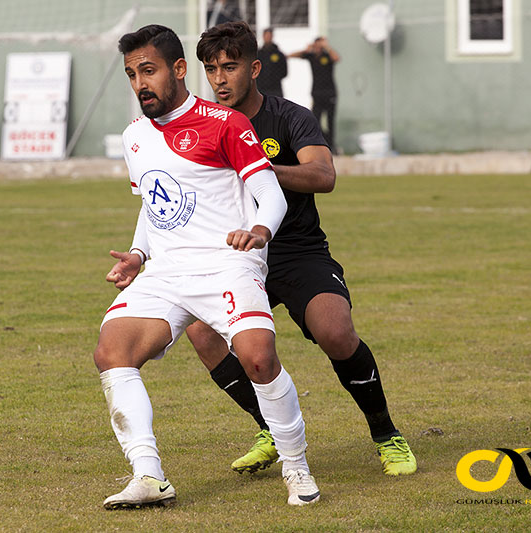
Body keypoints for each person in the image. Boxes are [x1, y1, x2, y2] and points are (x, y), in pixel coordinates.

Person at [94, 24, 320, 510]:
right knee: (112, 352)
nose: (139, 84)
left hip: (227, 265)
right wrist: (139, 254)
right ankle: (149, 477)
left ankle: (296, 467)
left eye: (148, 71)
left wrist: (260, 231)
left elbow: (270, 195)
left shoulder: (225, 123)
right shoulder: (134, 137)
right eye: (132, 74)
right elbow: (153, 205)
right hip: (167, 272)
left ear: (178, 70)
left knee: (259, 359)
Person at [193, 21, 416, 478]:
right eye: (211, 69)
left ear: (254, 69)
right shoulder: (199, 126)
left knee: (335, 332)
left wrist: (261, 169)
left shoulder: (290, 116)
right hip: (234, 255)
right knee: (201, 332)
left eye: (230, 67)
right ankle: (269, 429)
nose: (219, 79)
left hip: (296, 250)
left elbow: (323, 176)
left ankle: (386, 433)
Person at [289, 37, 339, 152]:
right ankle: (323, 141)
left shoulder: (327, 55)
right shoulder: (311, 56)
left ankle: (332, 146)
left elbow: (337, 58)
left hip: (330, 93)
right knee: (315, 119)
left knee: (330, 121)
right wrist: (305, 50)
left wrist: (327, 47)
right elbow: (291, 55)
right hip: (317, 93)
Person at [256, 28, 288, 97]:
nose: (268, 37)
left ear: (272, 36)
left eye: (269, 35)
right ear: (263, 36)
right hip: (261, 89)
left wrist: (273, 78)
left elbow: (284, 72)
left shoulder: (279, 54)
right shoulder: (258, 54)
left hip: (275, 89)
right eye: (266, 35)